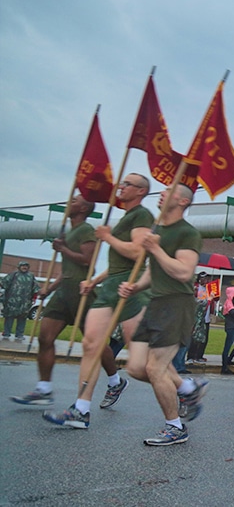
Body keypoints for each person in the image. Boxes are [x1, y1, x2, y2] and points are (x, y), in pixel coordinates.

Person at [44, 174, 153, 428]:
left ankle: (182, 389)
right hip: (111, 285)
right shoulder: (126, 217)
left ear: (140, 191)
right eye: (122, 183)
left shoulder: (141, 215)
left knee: (141, 362)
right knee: (91, 343)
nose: (121, 187)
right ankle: (81, 409)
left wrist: (108, 237)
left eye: (127, 184)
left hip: (130, 287)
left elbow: (138, 253)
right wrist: (95, 280)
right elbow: (117, 264)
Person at [116, 185, 209, 445]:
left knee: (156, 368)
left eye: (168, 191)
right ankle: (188, 389)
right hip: (155, 302)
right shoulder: (158, 230)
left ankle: (175, 427)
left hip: (176, 305)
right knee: (135, 368)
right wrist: (136, 286)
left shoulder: (187, 233)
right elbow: (153, 270)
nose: (161, 193)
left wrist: (155, 249)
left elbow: (183, 271)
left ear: (181, 201)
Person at [12, 196, 94, 405]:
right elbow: (67, 270)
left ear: (83, 208)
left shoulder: (86, 231)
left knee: (95, 344)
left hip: (81, 292)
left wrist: (63, 249)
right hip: (63, 292)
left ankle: (115, 379)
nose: (69, 203)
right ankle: (43, 389)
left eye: (74, 201)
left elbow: (87, 261)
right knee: (45, 338)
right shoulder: (68, 232)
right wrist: (49, 289)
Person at [2, 261, 39, 341]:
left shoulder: (31, 276)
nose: (24, 267)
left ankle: (19, 334)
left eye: (26, 266)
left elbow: (35, 288)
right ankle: (6, 333)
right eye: (23, 266)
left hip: (25, 302)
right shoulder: (13, 275)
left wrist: (34, 297)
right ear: (19, 267)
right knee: (9, 317)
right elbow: (3, 283)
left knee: (22, 318)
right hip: (12, 301)